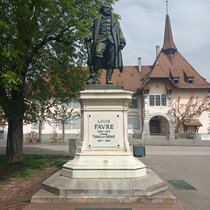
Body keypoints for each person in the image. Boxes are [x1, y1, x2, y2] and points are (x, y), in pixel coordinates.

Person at [86, 4, 126, 84]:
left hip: (112, 41)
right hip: (101, 39)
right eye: (106, 8)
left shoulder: (115, 21)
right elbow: (92, 30)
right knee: (98, 53)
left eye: (109, 8)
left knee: (111, 60)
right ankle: (94, 76)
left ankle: (108, 79)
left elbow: (119, 33)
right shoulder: (97, 20)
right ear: (102, 9)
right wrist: (89, 36)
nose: (108, 9)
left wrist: (122, 41)